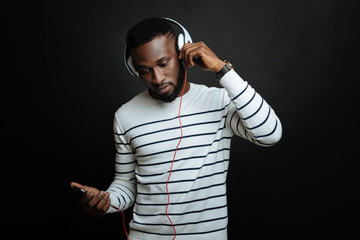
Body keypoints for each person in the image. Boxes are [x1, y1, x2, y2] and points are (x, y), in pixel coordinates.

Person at [71, 17, 282, 240]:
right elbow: (126, 184)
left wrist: (222, 69)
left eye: (163, 63)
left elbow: (270, 134)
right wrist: (107, 201)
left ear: (183, 52)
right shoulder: (125, 116)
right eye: (145, 70)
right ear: (134, 69)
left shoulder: (219, 102)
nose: (157, 78)